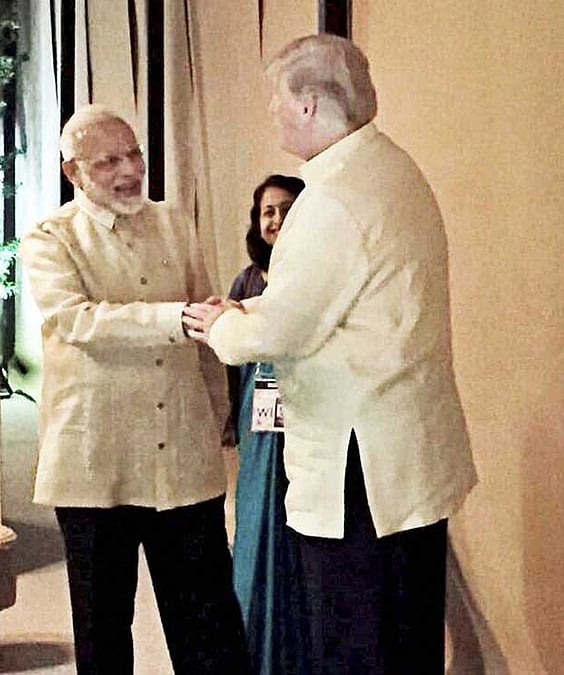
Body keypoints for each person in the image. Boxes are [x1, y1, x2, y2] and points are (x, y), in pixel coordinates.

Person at [183, 34, 477, 674]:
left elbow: (280, 333)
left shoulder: (332, 200)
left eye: (277, 100)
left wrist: (218, 324)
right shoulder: (391, 169)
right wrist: (251, 311)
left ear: (311, 104)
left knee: (353, 644)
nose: (272, 112)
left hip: (358, 465)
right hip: (407, 452)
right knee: (408, 633)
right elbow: (329, 300)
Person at [20, 104, 249, 674]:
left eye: (134, 155)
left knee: (209, 620)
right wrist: (174, 317)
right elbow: (77, 321)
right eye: (108, 163)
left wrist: (217, 412)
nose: (128, 172)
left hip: (183, 457)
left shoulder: (175, 222)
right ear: (74, 173)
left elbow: (206, 329)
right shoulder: (51, 239)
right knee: (103, 627)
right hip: (96, 463)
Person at [226, 174, 309, 675]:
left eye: (285, 209)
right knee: (256, 518)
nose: (276, 220)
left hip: (305, 423)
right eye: (267, 212)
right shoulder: (249, 280)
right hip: (259, 428)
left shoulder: (312, 273)